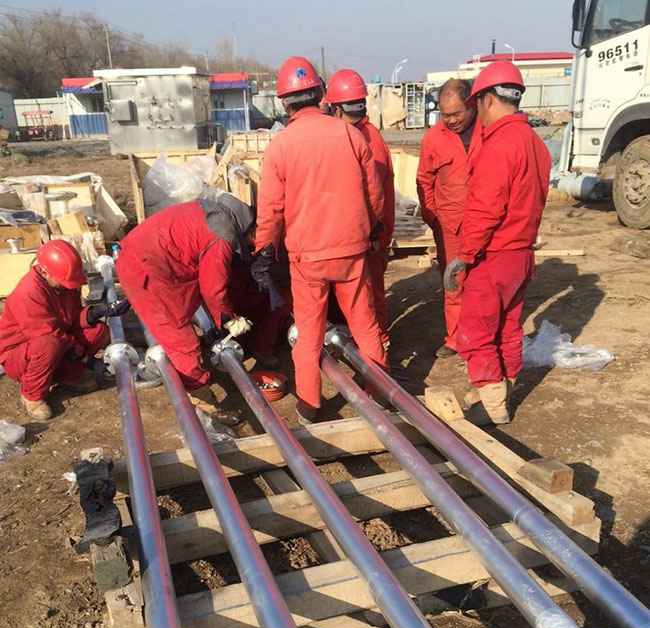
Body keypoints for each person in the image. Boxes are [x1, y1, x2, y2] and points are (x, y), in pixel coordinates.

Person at [253, 56, 387, 424]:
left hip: (308, 257)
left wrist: (263, 249)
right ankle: (379, 393)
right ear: (321, 94)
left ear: (285, 102)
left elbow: (271, 208)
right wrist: (373, 228)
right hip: (352, 251)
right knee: (365, 325)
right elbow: (374, 193)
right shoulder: (350, 134)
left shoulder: (281, 146)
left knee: (310, 332)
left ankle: (310, 405)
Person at [116, 194, 288, 425]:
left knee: (183, 313)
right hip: (147, 270)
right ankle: (204, 404)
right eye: (258, 241)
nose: (254, 247)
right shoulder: (222, 237)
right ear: (254, 230)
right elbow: (213, 289)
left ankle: (177, 367)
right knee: (183, 342)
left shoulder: (221, 214)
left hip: (155, 260)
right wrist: (229, 319)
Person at [443, 61, 552, 426]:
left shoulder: (500, 144)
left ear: (488, 99)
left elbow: (485, 209)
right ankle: (502, 388)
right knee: (507, 327)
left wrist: (464, 255)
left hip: (493, 255)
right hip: (521, 254)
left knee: (476, 330)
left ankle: (492, 407)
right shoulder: (535, 144)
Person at [0, 240, 117, 421]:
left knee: (99, 331)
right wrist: (84, 357)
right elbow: (48, 334)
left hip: (56, 340)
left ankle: (67, 376)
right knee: (49, 345)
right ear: (44, 272)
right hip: (21, 354)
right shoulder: (28, 294)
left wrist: (93, 313)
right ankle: (32, 395)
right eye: (64, 282)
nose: (69, 286)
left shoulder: (64, 284)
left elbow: (70, 318)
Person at [326, 68, 395, 348]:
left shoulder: (366, 139)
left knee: (371, 295)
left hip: (371, 232)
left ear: (336, 108)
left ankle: (380, 346)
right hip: (365, 229)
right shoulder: (358, 134)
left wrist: (371, 234)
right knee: (363, 293)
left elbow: (373, 196)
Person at [417, 78, 482, 358]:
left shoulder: (488, 131)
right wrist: (434, 218)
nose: (451, 120)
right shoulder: (434, 138)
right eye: (445, 115)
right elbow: (424, 180)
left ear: (471, 105)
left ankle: (482, 336)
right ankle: (455, 338)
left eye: (456, 113)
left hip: (486, 222)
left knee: (484, 282)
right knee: (453, 281)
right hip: (450, 226)